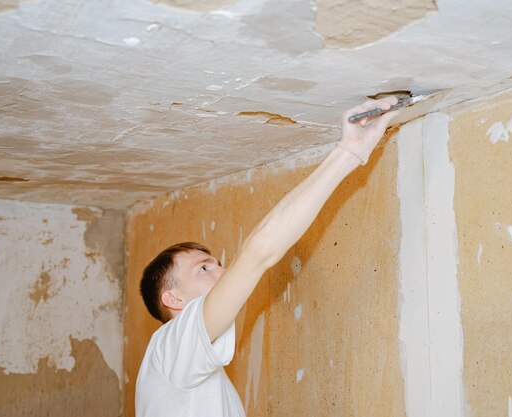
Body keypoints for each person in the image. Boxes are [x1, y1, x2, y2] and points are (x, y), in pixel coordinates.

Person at [135, 97, 399, 417]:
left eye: (218, 263)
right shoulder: (173, 347)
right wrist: (350, 152)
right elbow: (258, 253)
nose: (222, 271)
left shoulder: (182, 359)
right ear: (173, 298)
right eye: (203, 268)